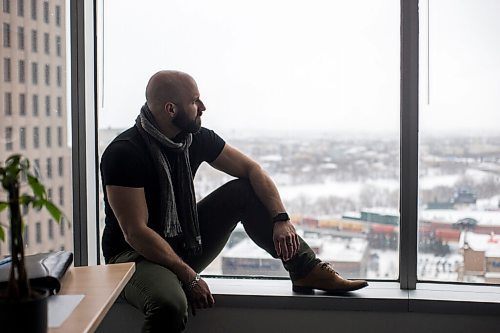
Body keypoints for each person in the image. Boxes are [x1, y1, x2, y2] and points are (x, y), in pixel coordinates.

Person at [100, 70, 368, 333]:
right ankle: (171, 281)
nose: (203, 106)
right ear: (171, 109)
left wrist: (281, 219)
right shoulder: (125, 152)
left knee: (244, 190)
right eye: (195, 101)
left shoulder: (194, 139)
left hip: (181, 241)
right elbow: (135, 232)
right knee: (170, 304)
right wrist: (188, 276)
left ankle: (305, 268)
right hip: (133, 257)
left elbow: (253, 170)